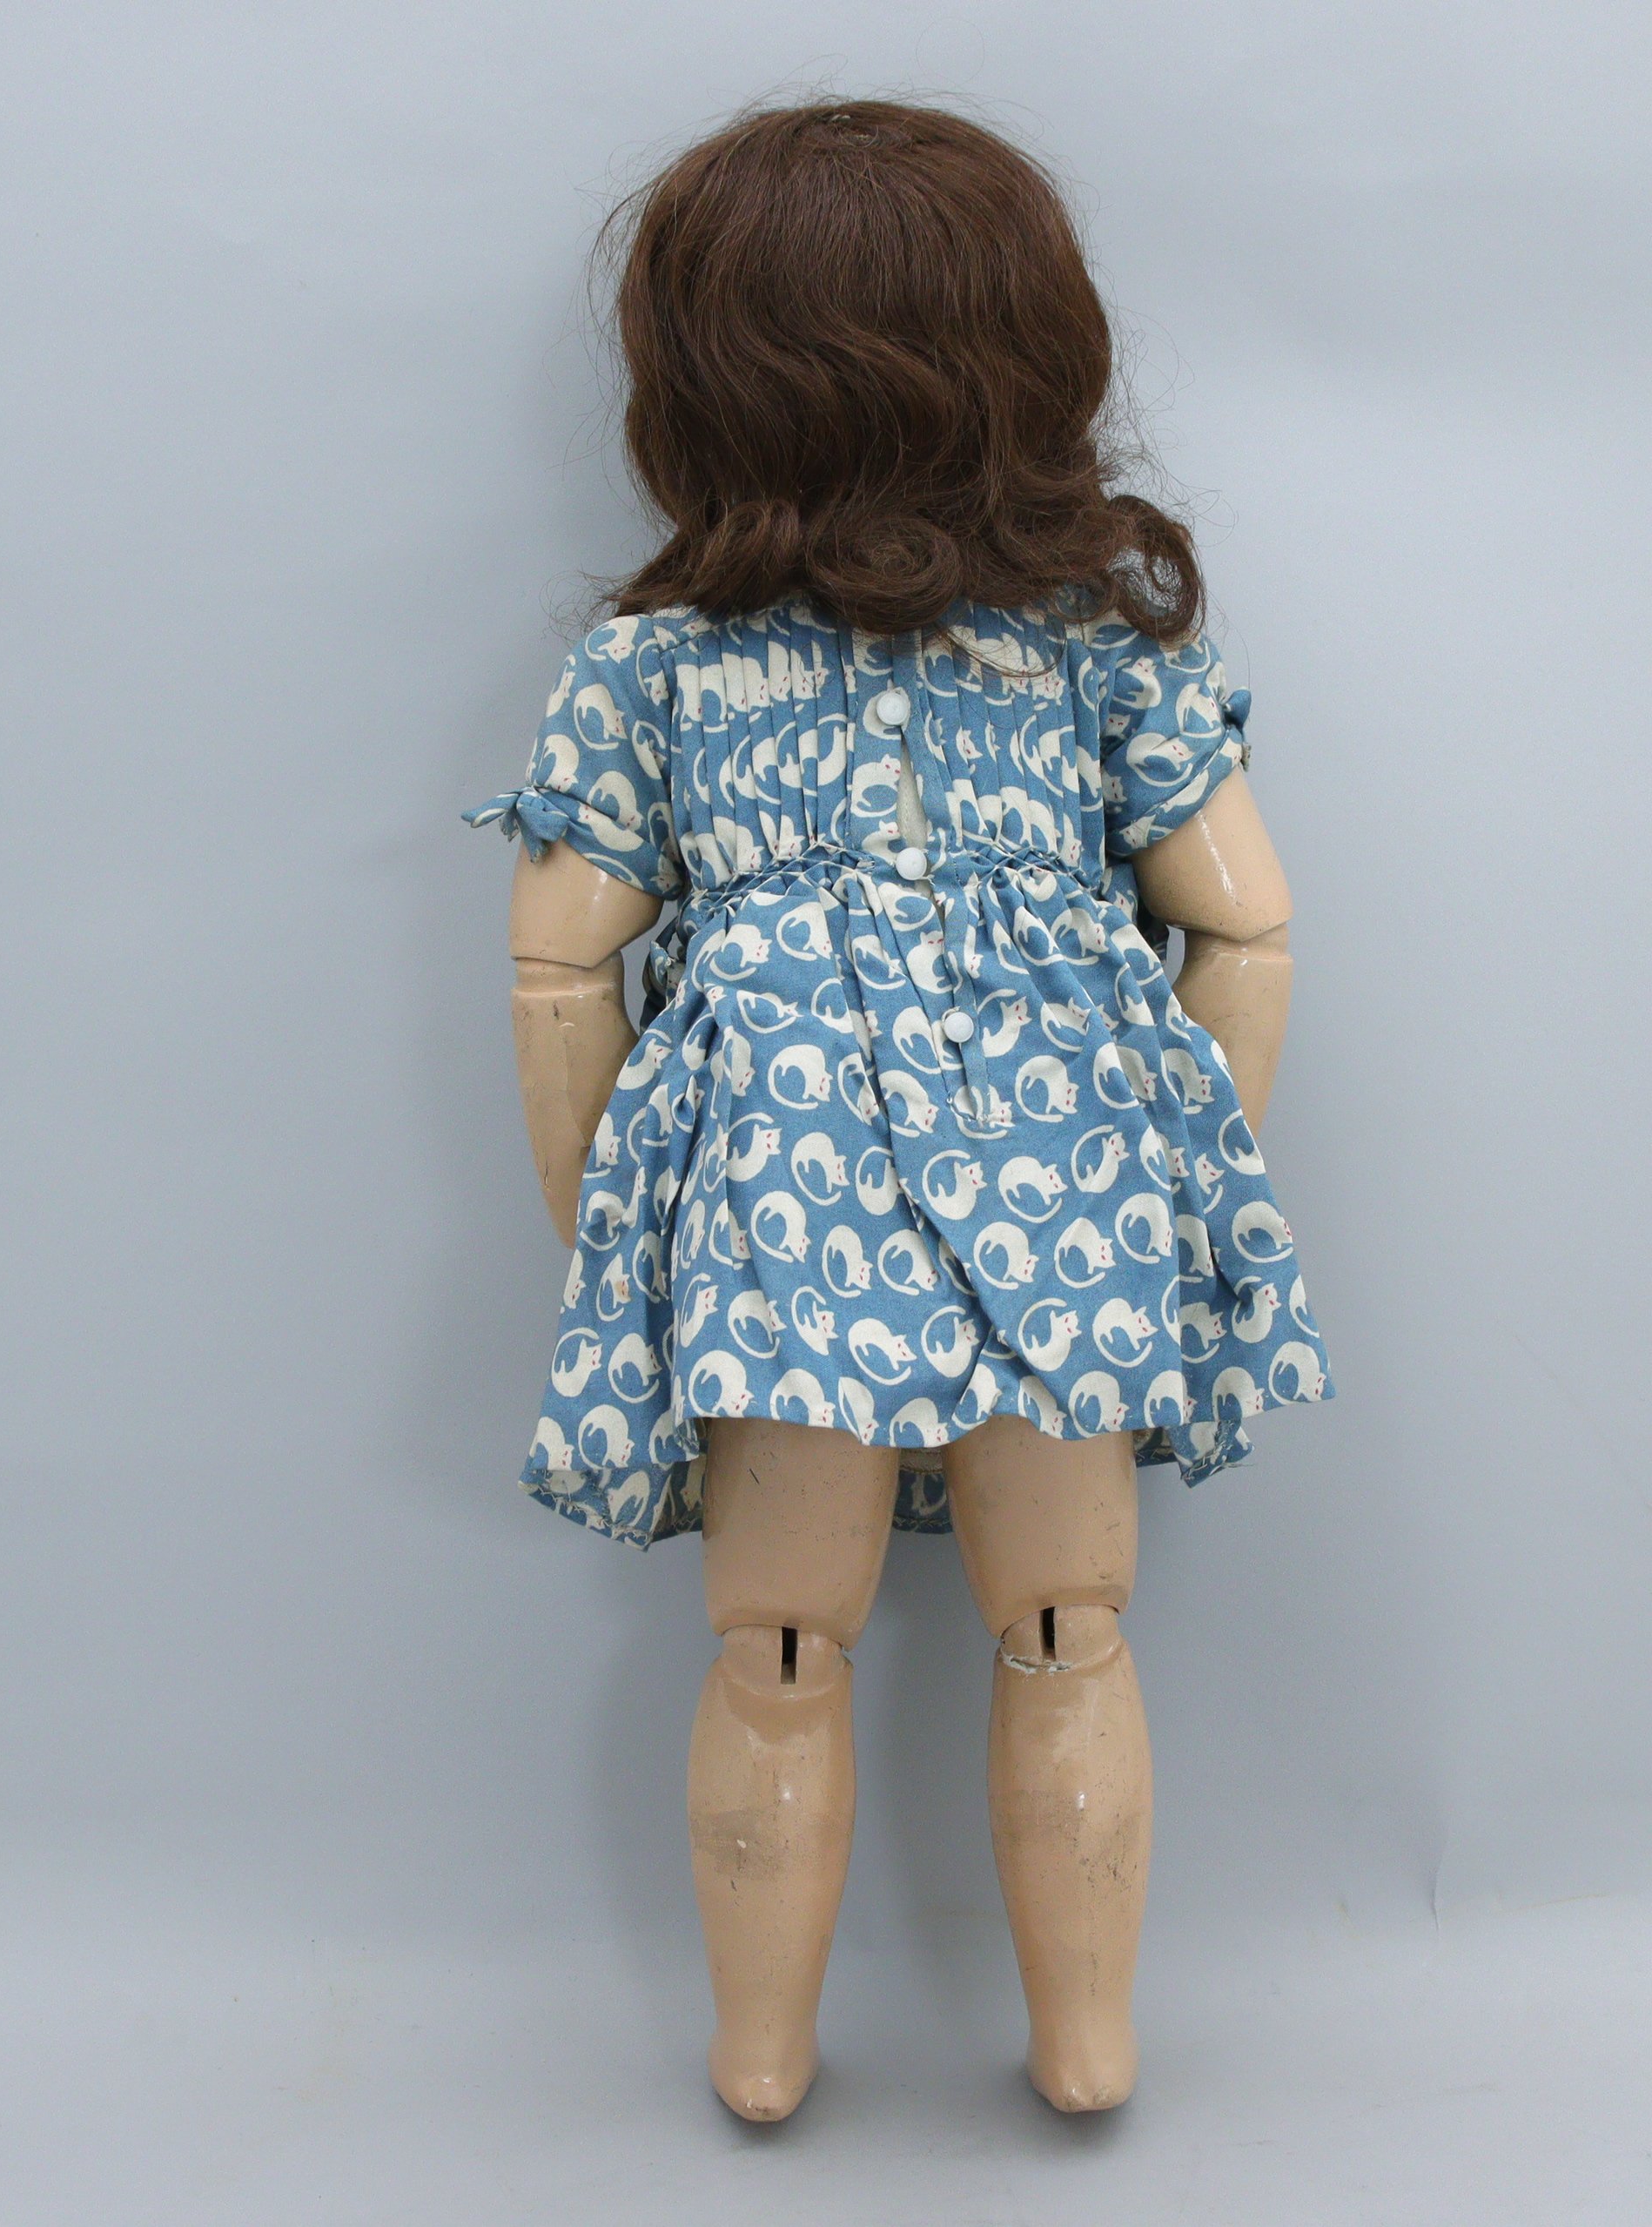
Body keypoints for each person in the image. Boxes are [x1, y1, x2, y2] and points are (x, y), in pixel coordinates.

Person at [467, 98, 1332, 2120]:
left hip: (797, 1202)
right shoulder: (751, 661)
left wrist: (618, 1242)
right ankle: (930, 2039)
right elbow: (1247, 932)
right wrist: (1162, 1188)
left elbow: (555, 980)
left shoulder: (743, 664)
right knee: (1044, 1622)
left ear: (703, 383)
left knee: (811, 1637)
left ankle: (845, 2043)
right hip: (1016, 1178)